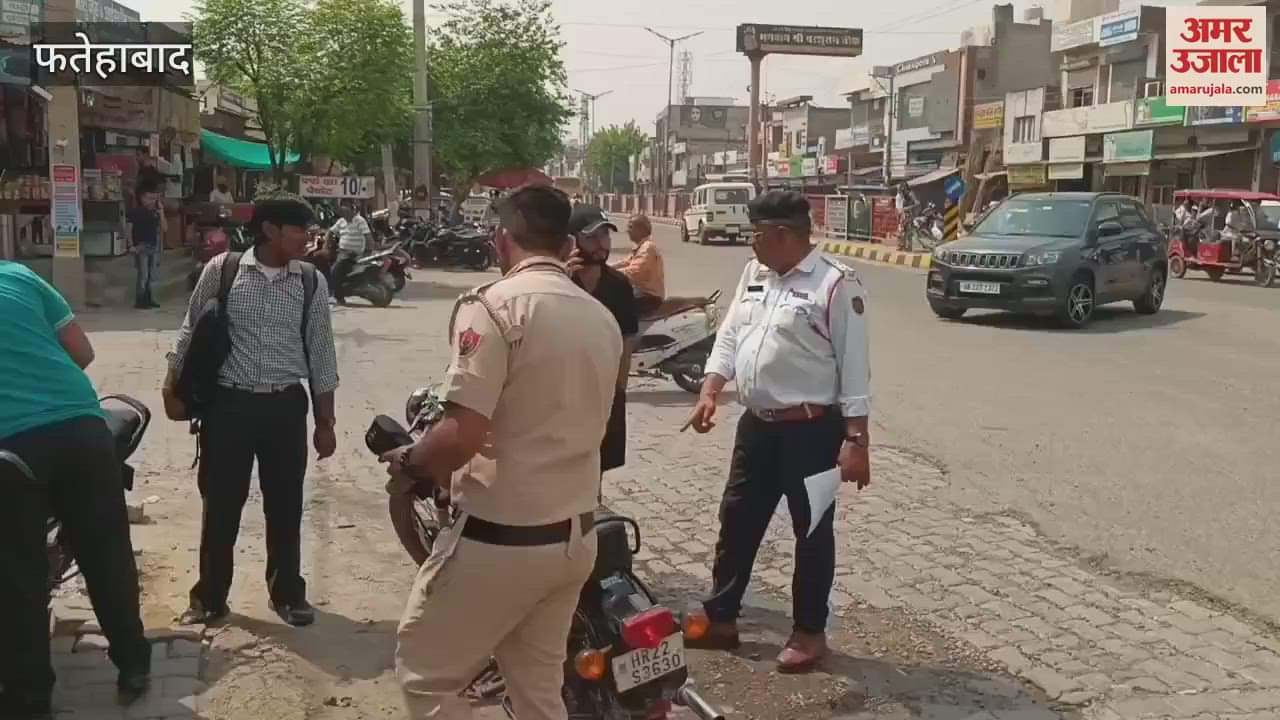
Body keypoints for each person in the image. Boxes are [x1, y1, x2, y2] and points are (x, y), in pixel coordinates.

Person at [385, 184, 621, 719]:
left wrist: (411, 462)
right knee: (537, 689)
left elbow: (462, 433)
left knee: (427, 677)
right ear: (565, 245)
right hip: (573, 538)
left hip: (502, 541)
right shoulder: (598, 315)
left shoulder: (492, 308)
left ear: (500, 238)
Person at [685, 190, 871, 674]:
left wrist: (856, 441)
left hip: (813, 431)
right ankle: (721, 616)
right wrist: (710, 388)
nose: (751, 246)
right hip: (757, 428)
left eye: (756, 236)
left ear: (783, 235)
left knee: (812, 532)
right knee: (738, 519)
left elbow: (854, 369)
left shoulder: (836, 285)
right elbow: (730, 335)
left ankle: (809, 632)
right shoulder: (755, 275)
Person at [163, 194, 339, 628]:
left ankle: (287, 595)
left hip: (285, 406)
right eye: (298, 229)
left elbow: (321, 352)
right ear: (270, 231)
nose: (307, 237)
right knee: (221, 504)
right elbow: (191, 329)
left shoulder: (310, 282)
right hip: (229, 405)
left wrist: (325, 422)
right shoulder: (222, 270)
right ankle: (209, 598)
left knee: (285, 505)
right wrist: (171, 384)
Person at [0, 261, 152, 716]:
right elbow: (82, 353)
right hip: (84, 430)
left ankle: (29, 698)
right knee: (107, 556)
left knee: (17, 577)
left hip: (13, 448)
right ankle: (133, 664)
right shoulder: (19, 276)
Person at [566, 205, 639, 476]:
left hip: (605, 391)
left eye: (605, 236)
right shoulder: (560, 282)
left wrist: (620, 387)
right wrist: (560, 277)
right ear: (571, 241)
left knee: (597, 465)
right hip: (564, 391)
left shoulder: (619, 284)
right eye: (592, 237)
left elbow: (627, 338)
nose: (601, 245)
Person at [611, 214, 665, 316]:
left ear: (641, 229)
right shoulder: (641, 246)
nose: (627, 230)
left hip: (650, 296)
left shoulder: (647, 248)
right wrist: (605, 267)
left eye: (631, 227)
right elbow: (625, 262)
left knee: (615, 303)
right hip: (641, 291)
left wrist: (609, 273)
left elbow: (634, 272)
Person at [126, 188, 166, 309]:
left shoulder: (156, 213)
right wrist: (130, 245)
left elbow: (164, 229)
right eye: (150, 198)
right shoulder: (136, 212)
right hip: (141, 246)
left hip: (153, 246)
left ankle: (148, 299)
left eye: (154, 198)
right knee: (143, 274)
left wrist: (162, 211)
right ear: (143, 198)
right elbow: (129, 229)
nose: (152, 201)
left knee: (151, 275)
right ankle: (140, 300)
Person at [328, 200, 371, 305]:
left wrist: (369, 250)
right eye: (342, 207)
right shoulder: (341, 221)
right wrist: (325, 246)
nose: (343, 209)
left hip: (351, 253)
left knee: (334, 271)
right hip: (342, 251)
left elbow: (368, 237)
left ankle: (338, 297)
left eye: (346, 207)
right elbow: (330, 232)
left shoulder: (359, 220)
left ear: (352, 208)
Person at [895, 181, 918, 251]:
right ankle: (901, 245)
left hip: (909, 214)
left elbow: (917, 203)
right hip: (902, 214)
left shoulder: (910, 194)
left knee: (908, 231)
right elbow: (898, 207)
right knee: (901, 231)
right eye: (900, 189)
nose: (901, 190)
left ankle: (908, 246)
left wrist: (908, 208)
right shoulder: (899, 196)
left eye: (902, 188)